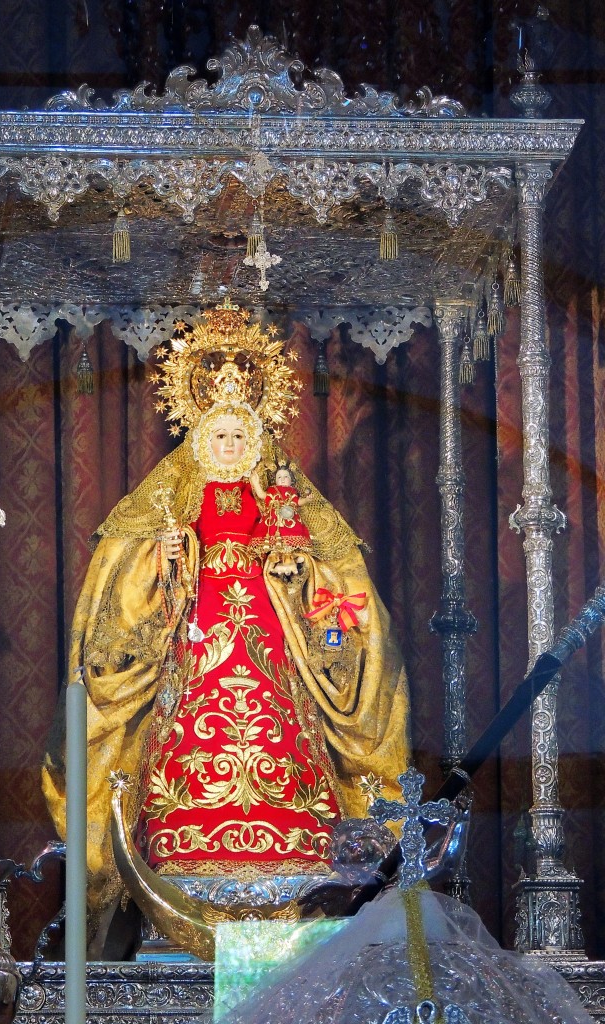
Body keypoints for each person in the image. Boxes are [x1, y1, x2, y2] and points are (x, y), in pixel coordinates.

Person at [41, 301, 411, 943]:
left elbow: (336, 587)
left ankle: (292, 855)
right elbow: (124, 583)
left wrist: (297, 572)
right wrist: (166, 560)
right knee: (185, 732)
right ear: (199, 436)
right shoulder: (170, 494)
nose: (231, 445)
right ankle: (184, 855)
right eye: (220, 436)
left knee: (284, 727)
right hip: (201, 630)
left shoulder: (282, 491)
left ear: (259, 436)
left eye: (241, 436)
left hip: (271, 633)